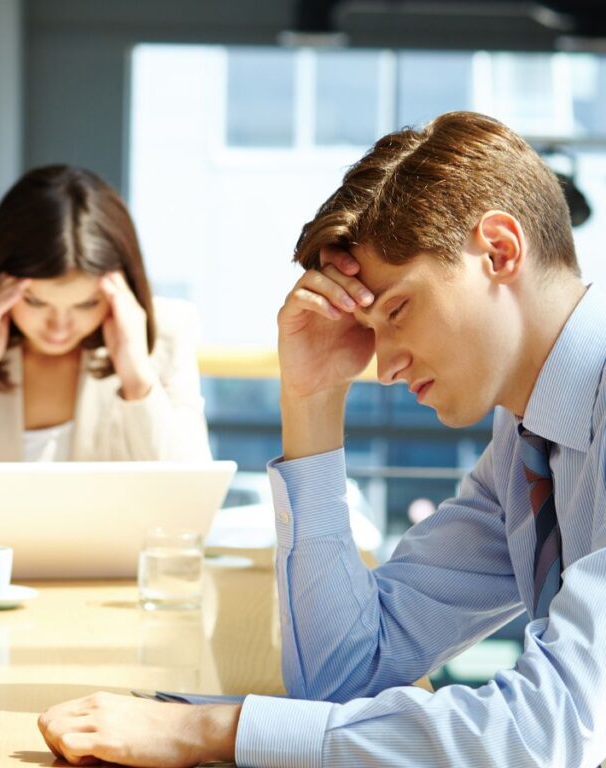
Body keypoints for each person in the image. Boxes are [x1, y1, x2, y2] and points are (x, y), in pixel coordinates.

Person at [38, 110, 606, 766]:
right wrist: (311, 399)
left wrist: (206, 731)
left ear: (500, 251)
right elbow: (342, 674)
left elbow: (557, 728)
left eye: (397, 309)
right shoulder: (529, 441)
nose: (385, 368)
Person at [0, 165, 211, 541]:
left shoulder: (166, 334)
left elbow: (186, 523)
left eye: (86, 305)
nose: (59, 327)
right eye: (36, 302)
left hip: (112, 589)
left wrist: (138, 380)